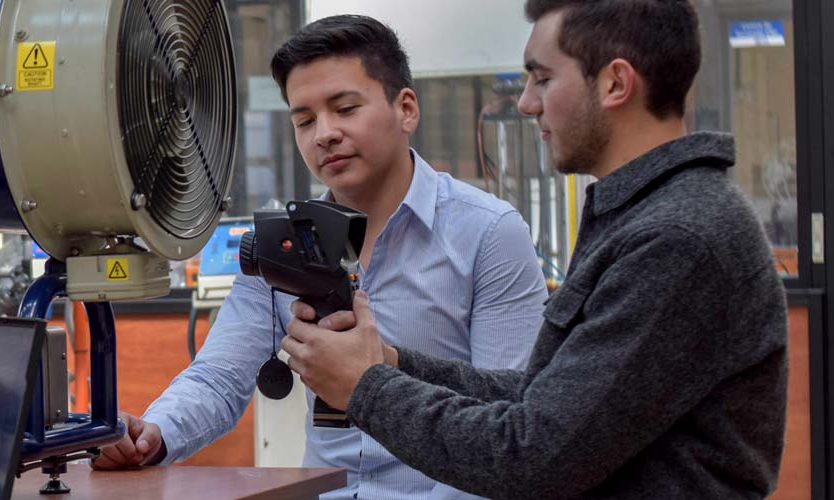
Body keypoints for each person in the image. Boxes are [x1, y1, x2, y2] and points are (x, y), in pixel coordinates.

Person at [281, 1, 788, 498]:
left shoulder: (678, 237)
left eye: (542, 78)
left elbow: (530, 456)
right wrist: (389, 364)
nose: (526, 103)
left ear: (615, 83)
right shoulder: (641, 216)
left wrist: (365, 387)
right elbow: (536, 399)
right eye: (304, 119)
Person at [93, 15, 549, 500]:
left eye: (345, 108)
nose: (324, 134)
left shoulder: (490, 234)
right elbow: (219, 377)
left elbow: (510, 413)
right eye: (304, 120)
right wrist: (154, 434)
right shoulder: (279, 247)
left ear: (406, 109)